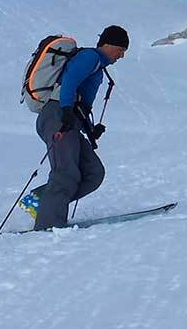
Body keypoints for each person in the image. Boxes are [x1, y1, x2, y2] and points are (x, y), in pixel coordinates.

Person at [21, 25, 129, 230]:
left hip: (68, 117)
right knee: (65, 173)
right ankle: (48, 224)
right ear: (108, 44)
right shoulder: (90, 57)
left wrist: (90, 129)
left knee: (93, 172)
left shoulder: (97, 65)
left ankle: (40, 201)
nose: (121, 56)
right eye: (120, 50)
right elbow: (69, 81)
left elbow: (81, 104)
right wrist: (66, 110)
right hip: (56, 115)